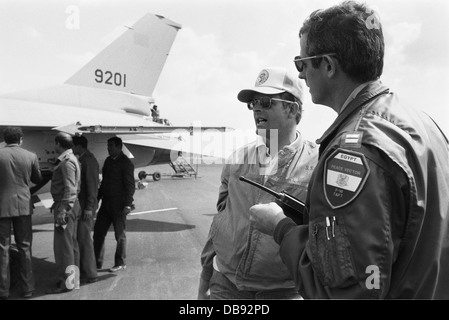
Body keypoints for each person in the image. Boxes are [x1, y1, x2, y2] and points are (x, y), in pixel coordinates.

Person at [249, 1, 449, 299]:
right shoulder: (422, 123)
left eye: (302, 63)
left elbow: (350, 290)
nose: (301, 75)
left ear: (328, 65)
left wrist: (281, 229)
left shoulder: (353, 151)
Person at [198, 67, 318, 300]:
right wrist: (205, 277)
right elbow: (222, 219)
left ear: (292, 109)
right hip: (226, 285)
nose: (256, 108)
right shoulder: (237, 159)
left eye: (265, 101)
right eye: (252, 103)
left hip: (284, 291)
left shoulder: (318, 164)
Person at [0, 127, 42, 299]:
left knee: (3, 248)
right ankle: (28, 289)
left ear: (4, 138)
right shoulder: (30, 156)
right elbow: (37, 179)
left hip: (2, 206)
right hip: (24, 205)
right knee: (25, 247)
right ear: (21, 139)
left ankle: (3, 290)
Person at [46, 132, 81, 294]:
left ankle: (67, 283)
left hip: (66, 206)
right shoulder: (70, 159)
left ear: (58, 144)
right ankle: (73, 280)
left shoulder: (67, 162)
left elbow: (70, 189)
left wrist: (63, 210)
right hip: (69, 205)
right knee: (71, 245)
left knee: (63, 247)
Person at [93, 137, 135, 273]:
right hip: (106, 203)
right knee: (98, 233)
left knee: (120, 235)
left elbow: (130, 186)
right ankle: (96, 262)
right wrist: (97, 199)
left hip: (119, 205)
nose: (108, 148)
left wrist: (128, 204)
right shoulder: (108, 161)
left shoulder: (126, 163)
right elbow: (104, 182)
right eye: (107, 145)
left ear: (119, 147)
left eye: (110, 146)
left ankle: (120, 262)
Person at [72, 135, 99, 284]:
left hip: (85, 207)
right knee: (80, 239)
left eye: (73, 146)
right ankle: (84, 270)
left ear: (78, 146)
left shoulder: (88, 161)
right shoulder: (82, 159)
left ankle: (91, 273)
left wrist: (89, 208)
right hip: (82, 206)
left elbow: (92, 187)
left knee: (84, 240)